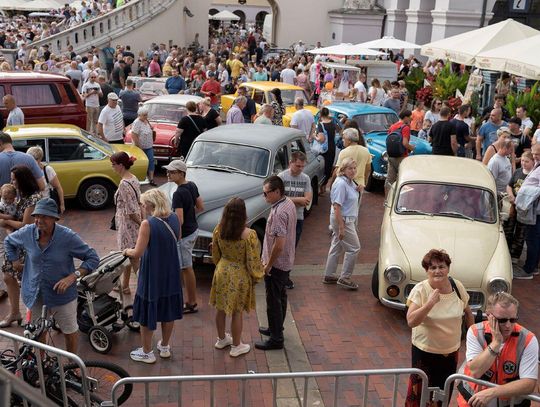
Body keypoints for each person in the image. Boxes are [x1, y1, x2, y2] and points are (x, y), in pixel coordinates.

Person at [5, 198, 99, 352]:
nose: (39, 220)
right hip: (34, 294)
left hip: (62, 296)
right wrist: (15, 262)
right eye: (37, 216)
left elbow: (92, 257)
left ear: (55, 218)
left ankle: (72, 366)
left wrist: (72, 276)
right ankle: (41, 366)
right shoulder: (27, 232)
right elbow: (9, 241)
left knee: (69, 331)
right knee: (38, 332)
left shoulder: (67, 237)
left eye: (44, 216)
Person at [405, 249, 473, 407]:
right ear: (426, 271)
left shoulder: (457, 286)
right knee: (419, 395)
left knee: (443, 393)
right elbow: (411, 321)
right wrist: (429, 304)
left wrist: (473, 339)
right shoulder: (421, 290)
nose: (437, 271)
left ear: (448, 268)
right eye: (432, 267)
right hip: (425, 353)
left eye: (441, 266)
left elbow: (468, 312)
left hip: (450, 353)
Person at [124, 189, 183, 363]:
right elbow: (178, 238)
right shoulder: (174, 218)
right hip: (171, 269)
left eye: (143, 203)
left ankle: (147, 351)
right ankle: (164, 346)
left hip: (153, 271)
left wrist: (127, 250)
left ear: (150, 205)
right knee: (168, 309)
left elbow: (138, 252)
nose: (142, 206)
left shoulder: (147, 224)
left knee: (146, 310)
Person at [458, 292, 538, 407]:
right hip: (474, 402)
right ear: (489, 316)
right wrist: (496, 343)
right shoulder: (475, 332)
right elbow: (476, 371)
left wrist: (492, 393)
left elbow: (528, 383)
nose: (508, 325)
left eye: (513, 319)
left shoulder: (528, 339)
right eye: (502, 320)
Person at [210, 197, 264, 358]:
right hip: (239, 274)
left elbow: (215, 254)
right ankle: (237, 346)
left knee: (220, 308)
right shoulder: (249, 235)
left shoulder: (218, 230)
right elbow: (252, 260)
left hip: (221, 270)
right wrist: (258, 275)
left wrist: (220, 265)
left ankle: (221, 339)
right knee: (237, 311)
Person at [255, 176, 297, 351]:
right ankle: (276, 328)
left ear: (277, 192)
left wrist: (268, 265)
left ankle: (276, 339)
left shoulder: (279, 212)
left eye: (266, 193)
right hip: (286, 261)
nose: (264, 196)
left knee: (273, 301)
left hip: (277, 264)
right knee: (280, 297)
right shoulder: (288, 203)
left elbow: (279, 244)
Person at [0, 165, 42, 327]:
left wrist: (6, 221)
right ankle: (15, 312)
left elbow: (26, 224)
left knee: (29, 280)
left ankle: (34, 315)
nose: (12, 182)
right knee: (8, 277)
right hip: (16, 243)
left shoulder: (33, 198)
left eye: (14, 179)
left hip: (27, 244)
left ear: (22, 180)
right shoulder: (21, 197)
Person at [165, 159, 204, 314]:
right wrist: (189, 216)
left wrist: (174, 235)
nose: (168, 174)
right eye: (168, 171)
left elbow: (179, 220)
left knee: (186, 268)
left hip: (185, 235)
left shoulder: (178, 194)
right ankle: (190, 300)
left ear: (181, 173)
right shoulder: (192, 185)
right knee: (187, 268)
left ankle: (191, 302)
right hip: (194, 230)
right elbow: (201, 206)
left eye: (172, 172)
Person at [322, 157, 360, 290]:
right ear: (343, 169)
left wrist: (358, 189)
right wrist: (341, 227)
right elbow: (336, 206)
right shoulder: (341, 183)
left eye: (354, 168)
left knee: (337, 246)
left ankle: (329, 274)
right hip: (343, 219)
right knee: (354, 248)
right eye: (350, 168)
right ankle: (345, 277)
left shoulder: (349, 182)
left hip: (345, 218)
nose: (353, 171)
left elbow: (351, 195)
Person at [278, 151, 312, 289]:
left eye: (302, 166)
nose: (300, 169)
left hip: (298, 218)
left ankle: (285, 276)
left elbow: (307, 200)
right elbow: (278, 199)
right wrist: (298, 200)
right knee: (280, 247)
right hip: (283, 217)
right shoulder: (281, 177)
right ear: (290, 163)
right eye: (298, 166)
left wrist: (289, 200)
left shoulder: (306, 178)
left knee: (291, 248)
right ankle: (279, 274)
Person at [111, 151, 142, 294]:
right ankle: (125, 286)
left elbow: (130, 210)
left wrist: (141, 224)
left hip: (127, 224)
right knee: (128, 256)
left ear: (121, 165)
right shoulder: (133, 178)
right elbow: (138, 203)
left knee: (132, 257)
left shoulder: (124, 183)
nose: (113, 167)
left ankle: (143, 287)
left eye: (114, 165)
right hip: (133, 223)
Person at [505, 151, 534, 263]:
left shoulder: (533, 175)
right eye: (522, 160)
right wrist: (511, 195)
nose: (523, 163)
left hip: (525, 209)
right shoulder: (517, 172)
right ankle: (506, 252)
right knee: (509, 229)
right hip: (513, 205)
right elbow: (509, 185)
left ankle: (515, 256)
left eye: (526, 161)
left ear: (532, 162)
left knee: (520, 232)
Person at [334, 128, 372, 199]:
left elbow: (338, 170)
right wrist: (364, 182)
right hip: (359, 184)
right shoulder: (366, 151)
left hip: (345, 184)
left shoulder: (344, 152)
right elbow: (368, 169)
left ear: (348, 140)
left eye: (344, 138)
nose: (343, 140)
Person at [26, 146, 65, 214]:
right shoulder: (26, 170)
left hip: (45, 205)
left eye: (33, 159)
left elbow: (58, 187)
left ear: (39, 159)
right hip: (31, 205)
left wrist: (62, 204)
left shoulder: (47, 170)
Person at [385, 110, 415, 195]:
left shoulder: (393, 126)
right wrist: (412, 148)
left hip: (391, 155)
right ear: (405, 117)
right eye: (410, 116)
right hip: (402, 156)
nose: (411, 118)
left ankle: (387, 199)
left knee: (390, 179)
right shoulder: (405, 128)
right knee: (402, 178)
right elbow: (405, 143)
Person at [312, 107, 335, 196]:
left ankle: (321, 187)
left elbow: (321, 139)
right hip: (332, 147)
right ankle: (324, 187)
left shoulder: (321, 125)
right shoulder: (332, 123)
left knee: (323, 168)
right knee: (329, 168)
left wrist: (314, 136)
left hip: (324, 150)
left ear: (320, 114)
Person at [130, 106, 156, 186]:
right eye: (144, 115)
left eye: (146, 114)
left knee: (151, 161)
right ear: (139, 115)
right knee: (140, 163)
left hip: (149, 146)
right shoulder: (137, 122)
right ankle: (137, 179)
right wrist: (139, 146)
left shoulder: (146, 120)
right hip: (140, 147)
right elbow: (134, 135)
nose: (146, 116)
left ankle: (151, 179)